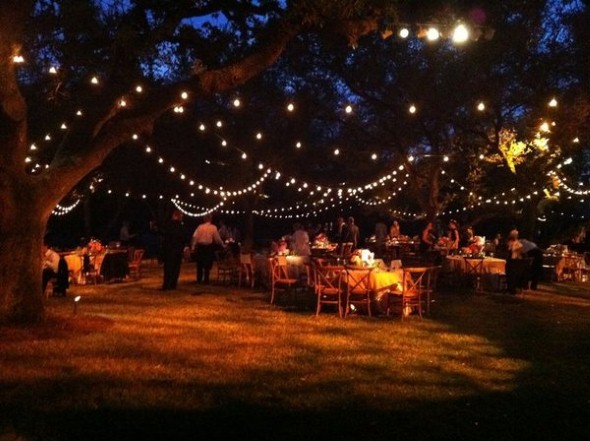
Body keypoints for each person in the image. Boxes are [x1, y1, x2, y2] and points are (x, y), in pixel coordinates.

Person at [191, 213, 224, 284]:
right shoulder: (213, 227)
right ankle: (206, 280)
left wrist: (193, 247)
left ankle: (199, 280)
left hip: (200, 247)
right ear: (210, 219)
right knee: (207, 264)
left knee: (199, 264)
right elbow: (217, 238)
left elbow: (195, 237)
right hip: (208, 247)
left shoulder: (199, 227)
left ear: (204, 219)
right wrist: (222, 245)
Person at [161, 210, 187, 291]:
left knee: (168, 267)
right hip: (177, 249)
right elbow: (183, 238)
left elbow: (165, 238)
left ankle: (166, 284)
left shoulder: (168, 225)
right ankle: (173, 284)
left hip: (169, 249)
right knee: (176, 267)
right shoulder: (180, 226)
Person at [505, 229, 524, 295]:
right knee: (509, 274)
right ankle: (509, 288)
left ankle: (512, 289)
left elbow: (518, 251)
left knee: (512, 275)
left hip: (514, 260)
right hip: (510, 260)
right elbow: (509, 250)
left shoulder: (518, 243)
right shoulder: (510, 242)